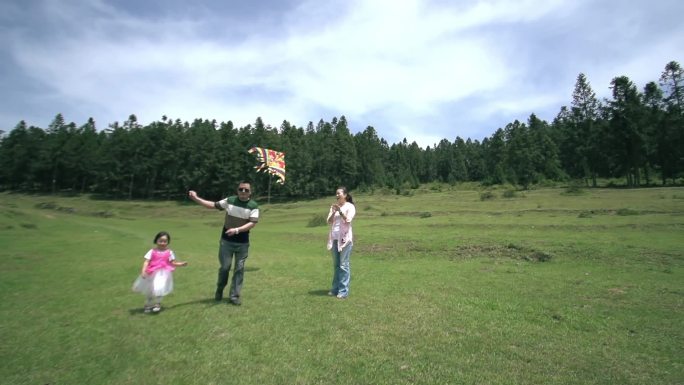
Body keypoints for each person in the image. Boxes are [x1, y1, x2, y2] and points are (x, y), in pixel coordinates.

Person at [188, 181, 259, 306]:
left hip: (242, 243)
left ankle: (234, 296)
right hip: (226, 242)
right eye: (241, 189)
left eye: (246, 190)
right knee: (225, 267)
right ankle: (220, 289)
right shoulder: (230, 201)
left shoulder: (253, 205)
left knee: (239, 268)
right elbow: (213, 205)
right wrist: (196, 198)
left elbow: (252, 223)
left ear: (250, 192)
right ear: (237, 190)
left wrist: (237, 230)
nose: (243, 192)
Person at [132, 231, 187, 313]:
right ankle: (148, 305)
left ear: (168, 242)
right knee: (150, 290)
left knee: (159, 288)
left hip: (163, 274)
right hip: (151, 273)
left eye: (165, 241)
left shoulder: (169, 252)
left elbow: (172, 263)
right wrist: (143, 271)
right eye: (160, 241)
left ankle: (157, 304)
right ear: (156, 241)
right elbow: (146, 261)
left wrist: (181, 264)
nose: (162, 243)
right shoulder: (152, 251)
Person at [326, 186, 356, 299]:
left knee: (344, 265)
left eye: (339, 193)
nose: (337, 195)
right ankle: (335, 289)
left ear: (345, 195)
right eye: (336, 193)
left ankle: (343, 291)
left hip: (345, 240)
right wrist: (334, 212)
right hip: (334, 239)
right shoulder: (334, 207)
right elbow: (329, 221)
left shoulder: (350, 206)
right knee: (336, 265)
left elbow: (348, 220)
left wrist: (340, 211)